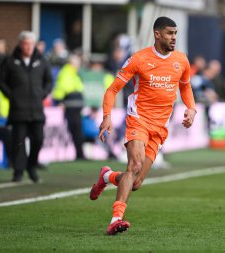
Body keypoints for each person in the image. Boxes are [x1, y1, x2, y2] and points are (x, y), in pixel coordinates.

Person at [89, 16, 197, 235]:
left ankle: (107, 176)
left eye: (175, 33)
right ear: (157, 34)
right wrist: (107, 116)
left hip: (160, 127)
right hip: (139, 119)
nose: (174, 37)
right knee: (134, 165)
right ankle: (115, 218)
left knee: (136, 182)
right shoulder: (138, 59)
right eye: (169, 33)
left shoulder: (182, 60)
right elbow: (112, 89)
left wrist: (191, 108)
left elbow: (185, 86)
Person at [0, 31, 53, 182]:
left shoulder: (42, 61)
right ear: (20, 44)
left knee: (39, 139)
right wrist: (11, 95)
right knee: (18, 142)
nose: (28, 47)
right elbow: (1, 81)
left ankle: (31, 166)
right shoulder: (9, 61)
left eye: (31, 44)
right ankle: (18, 171)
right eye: (26, 44)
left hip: (36, 110)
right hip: (18, 110)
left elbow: (49, 81)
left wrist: (42, 93)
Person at [52, 54, 85, 160]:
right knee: (75, 131)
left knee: (77, 131)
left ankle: (80, 153)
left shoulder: (72, 73)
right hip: (71, 107)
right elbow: (61, 89)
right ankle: (79, 154)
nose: (79, 66)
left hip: (75, 107)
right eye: (77, 64)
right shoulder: (67, 73)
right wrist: (60, 101)